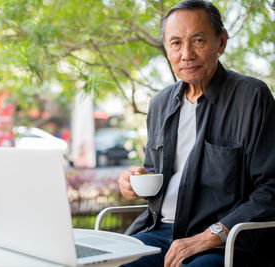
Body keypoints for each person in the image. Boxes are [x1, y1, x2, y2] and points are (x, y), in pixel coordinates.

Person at [117, 1, 275, 266]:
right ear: (167, 49)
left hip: (224, 241)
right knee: (110, 262)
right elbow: (153, 174)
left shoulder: (251, 97)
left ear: (221, 42)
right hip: (160, 233)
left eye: (198, 40)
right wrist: (133, 182)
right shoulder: (159, 104)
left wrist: (211, 235)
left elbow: (271, 187)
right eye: (176, 43)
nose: (186, 53)